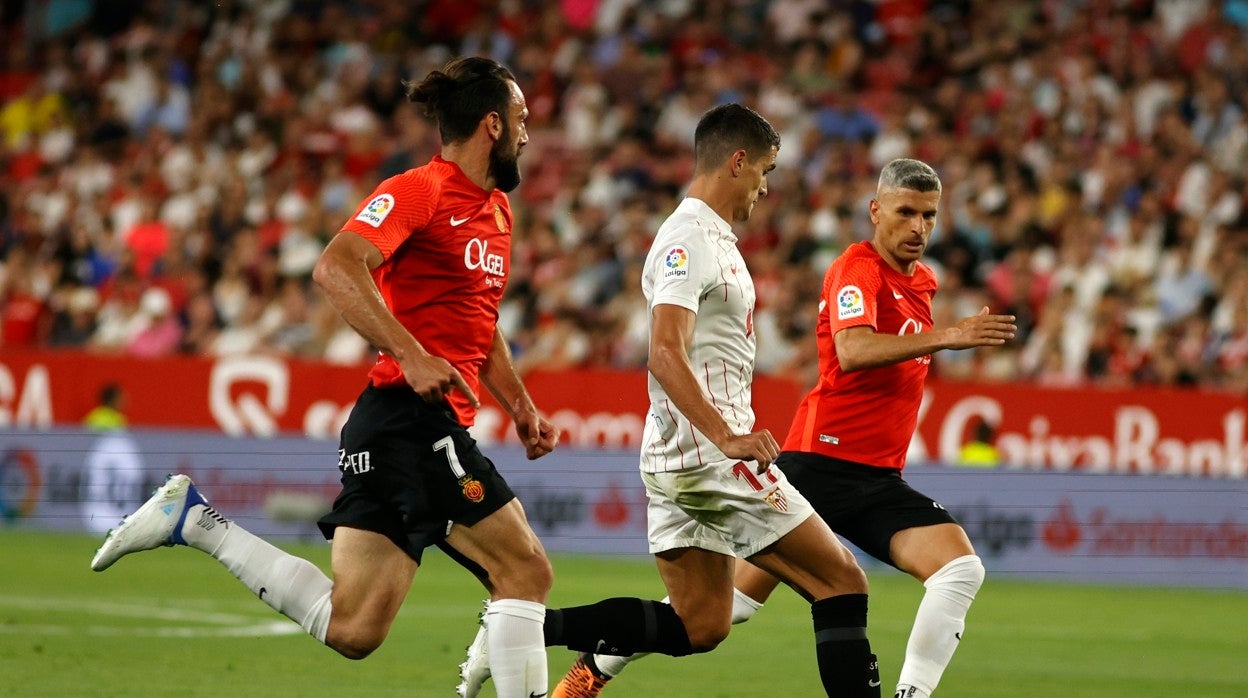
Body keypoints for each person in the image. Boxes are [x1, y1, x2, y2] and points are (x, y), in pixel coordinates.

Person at [91, 56, 561, 698]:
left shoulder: (498, 212)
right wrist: (413, 353)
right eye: (522, 119)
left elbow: (480, 319)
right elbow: (337, 267)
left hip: (391, 426)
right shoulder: (420, 190)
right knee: (526, 572)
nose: (528, 132)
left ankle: (196, 522)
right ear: (491, 125)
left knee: (354, 627)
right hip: (409, 419)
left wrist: (521, 403)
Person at [554, 158, 1017, 698]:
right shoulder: (856, 269)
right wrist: (947, 336)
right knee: (727, 609)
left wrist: (943, 335)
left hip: (878, 478)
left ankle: (911, 694)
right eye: (906, 212)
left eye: (929, 216)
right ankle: (590, 669)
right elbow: (853, 349)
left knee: (960, 569)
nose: (917, 227)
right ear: (875, 211)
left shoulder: (925, 281)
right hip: (818, 464)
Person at [463, 103, 882, 698]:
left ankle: (519, 626)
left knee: (702, 623)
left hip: (682, 458)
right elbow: (664, 351)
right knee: (842, 582)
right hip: (712, 456)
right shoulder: (687, 238)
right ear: (737, 162)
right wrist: (728, 436)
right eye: (763, 170)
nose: (765, 187)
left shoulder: (716, 239)